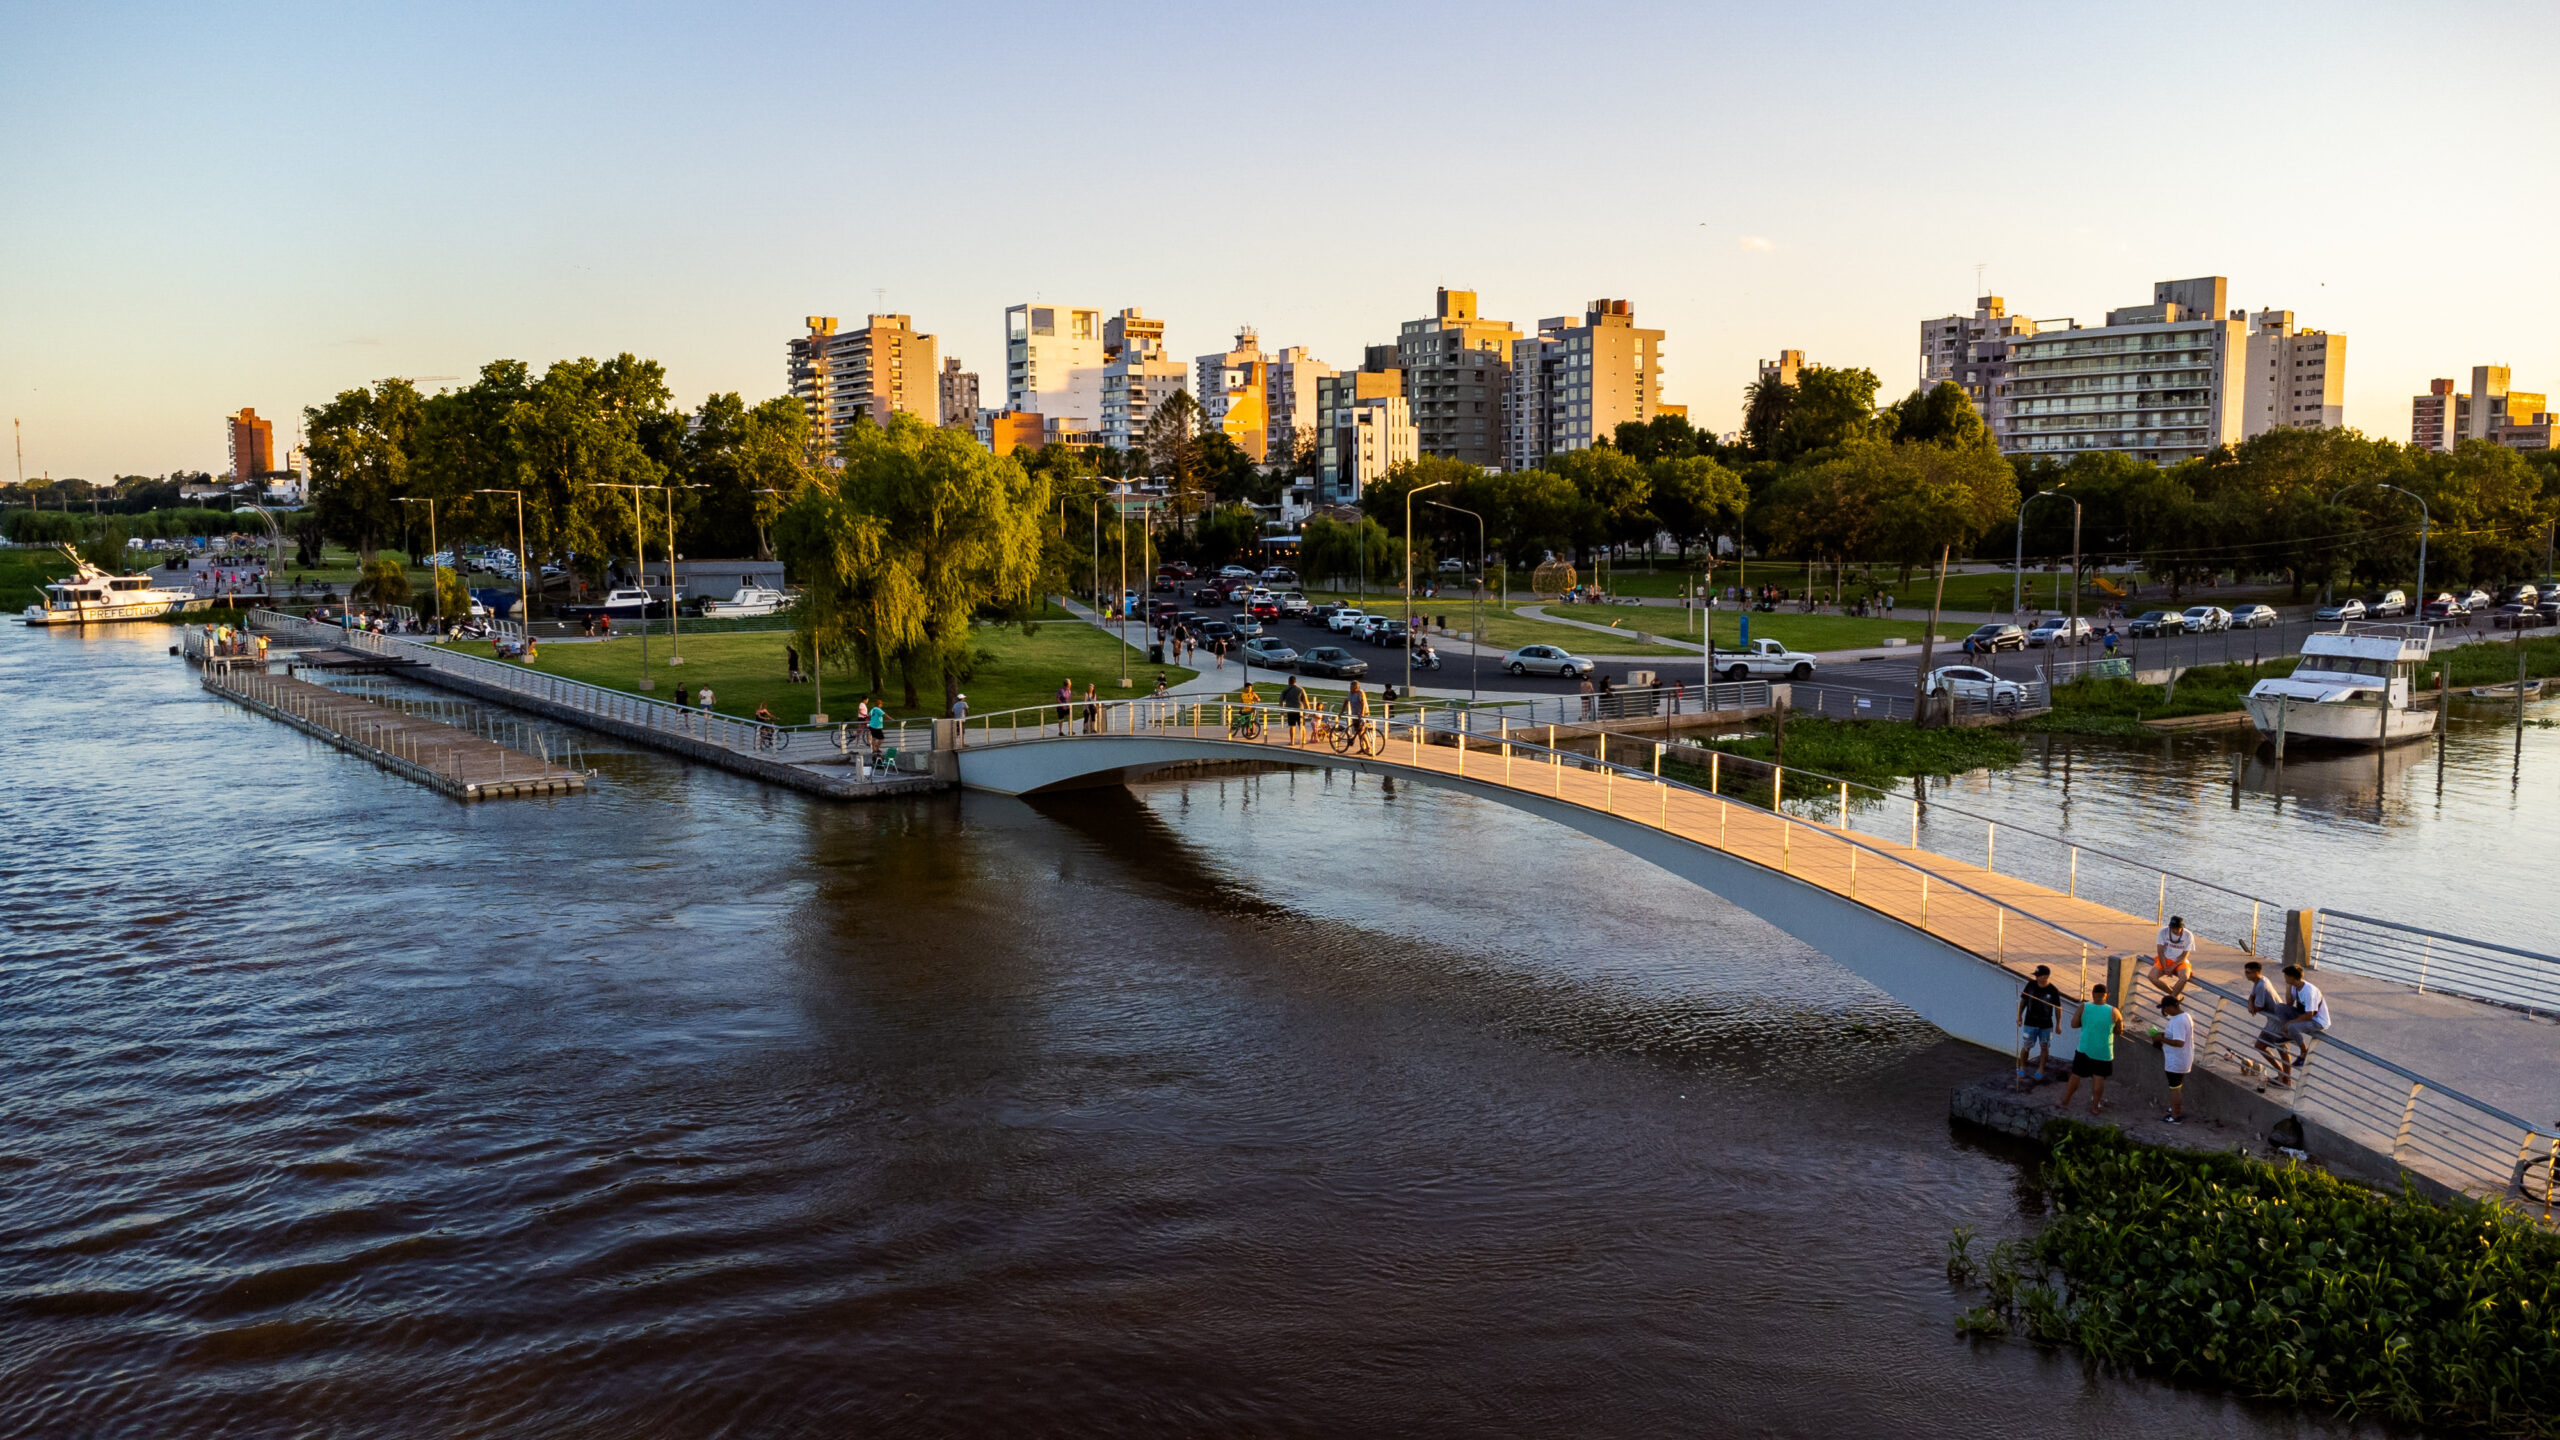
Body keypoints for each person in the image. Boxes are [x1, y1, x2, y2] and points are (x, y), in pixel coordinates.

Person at [2058, 983, 2121, 1115]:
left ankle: (2065, 1101)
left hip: (2084, 1048)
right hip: (2103, 1051)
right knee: (2099, 1078)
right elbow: (2119, 1031)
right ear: (2106, 996)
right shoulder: (2114, 1011)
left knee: (2076, 1075)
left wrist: (2085, 1022)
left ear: (2092, 994)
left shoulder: (2084, 1007)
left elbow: (2073, 1024)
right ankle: (2095, 1107)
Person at [2246, 960, 2299, 1085]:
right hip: (2272, 1021)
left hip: (2279, 1022)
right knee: (2260, 1045)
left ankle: (2286, 1080)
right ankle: (2281, 1073)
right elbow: (2252, 997)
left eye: (2248, 972)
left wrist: (2251, 1004)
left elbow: (2257, 1008)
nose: (2246, 974)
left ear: (2257, 973)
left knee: (2283, 1050)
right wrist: (2250, 1001)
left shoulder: (2261, 985)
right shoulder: (2260, 980)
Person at [2016, 965, 2064, 1089]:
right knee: (2026, 1045)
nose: (2037, 978)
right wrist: (2019, 1016)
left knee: (2044, 1046)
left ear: (2046, 976)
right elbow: (2023, 1002)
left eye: (2039, 976)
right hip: (2030, 1022)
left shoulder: (2053, 990)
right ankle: (2022, 1066)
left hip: (2046, 1024)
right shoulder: (2030, 985)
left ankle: (2041, 1068)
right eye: (2036, 976)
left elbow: (2058, 1008)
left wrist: (2058, 1024)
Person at [2282, 966, 2332, 1072]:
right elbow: (2289, 1004)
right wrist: (2287, 988)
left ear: (2292, 977)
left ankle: (2303, 1053)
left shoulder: (2309, 992)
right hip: (2304, 1014)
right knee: (2279, 1008)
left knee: (2292, 1027)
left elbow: (2309, 1015)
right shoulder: (2294, 986)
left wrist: (2291, 1022)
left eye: (2286, 976)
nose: (2284, 978)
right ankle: (2288, 1035)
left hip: (2317, 1021)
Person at [2153, 995, 2194, 1123]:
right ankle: (2175, 1108)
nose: (2165, 1012)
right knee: (2177, 1087)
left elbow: (2179, 1042)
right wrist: (2164, 1035)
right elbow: (2178, 1036)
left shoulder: (2178, 1021)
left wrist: (2162, 1039)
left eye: (2165, 1008)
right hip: (2180, 1058)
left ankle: (2175, 1116)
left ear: (2171, 1007)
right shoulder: (2185, 1016)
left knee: (2174, 1088)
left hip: (2176, 1061)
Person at [2151, 916, 2196, 1007]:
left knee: (2184, 977)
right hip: (2165, 958)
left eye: (2177, 928)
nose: (2175, 930)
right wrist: (2165, 967)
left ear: (2182, 927)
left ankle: (2170, 1000)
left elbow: (2185, 955)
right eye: (2173, 928)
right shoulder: (2163, 932)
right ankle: (2175, 996)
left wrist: (2173, 966)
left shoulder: (2188, 935)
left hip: (2180, 961)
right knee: (2152, 977)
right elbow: (2160, 951)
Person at [1280, 673, 1309, 744]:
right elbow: (1305, 700)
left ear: (1288, 682)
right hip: (1300, 710)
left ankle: (1292, 741)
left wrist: (1282, 710)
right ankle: (1303, 740)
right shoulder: (1300, 689)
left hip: (1290, 710)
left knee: (1292, 726)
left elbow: (1280, 701)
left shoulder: (1285, 690)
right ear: (1295, 682)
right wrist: (1308, 708)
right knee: (1302, 726)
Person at [1345, 676, 1371, 742]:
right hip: (1355, 714)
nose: (1350, 688)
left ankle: (1368, 747)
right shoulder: (1350, 693)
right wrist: (1341, 712)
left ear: (1356, 688)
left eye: (1351, 687)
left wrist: (1362, 713)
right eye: (1350, 687)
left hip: (1362, 714)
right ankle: (1363, 747)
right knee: (1358, 731)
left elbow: (1363, 703)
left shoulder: (1361, 693)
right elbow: (1345, 701)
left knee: (1361, 731)